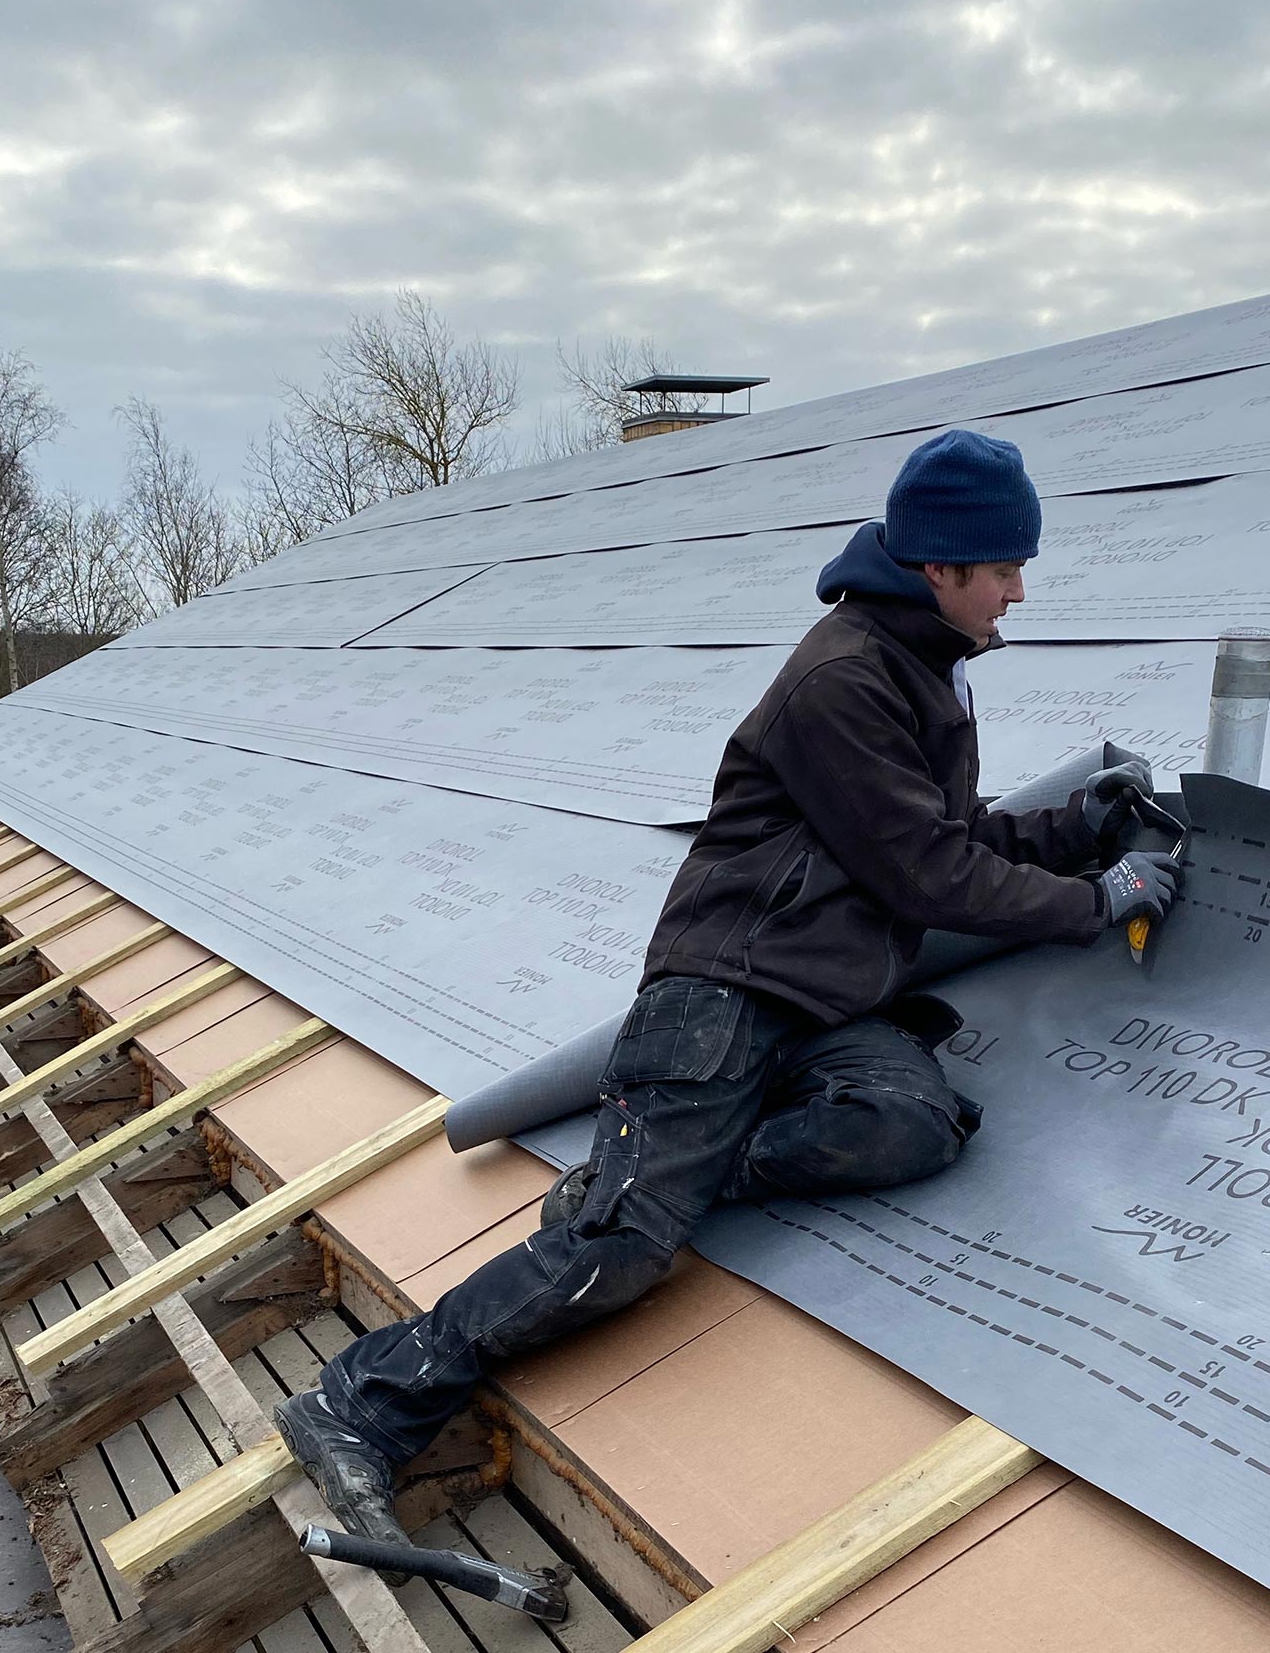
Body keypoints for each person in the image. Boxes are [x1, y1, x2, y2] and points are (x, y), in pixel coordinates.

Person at [278, 427, 1184, 1536]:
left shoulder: (918, 669)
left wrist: (1075, 829)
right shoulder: (845, 678)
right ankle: (360, 1403)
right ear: (942, 566)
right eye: (1004, 568)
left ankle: (678, 1177)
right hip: (726, 991)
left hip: (825, 1002)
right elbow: (927, 873)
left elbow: (945, 838)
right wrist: (1097, 903)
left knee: (909, 1121)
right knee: (619, 1250)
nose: (1018, 592)